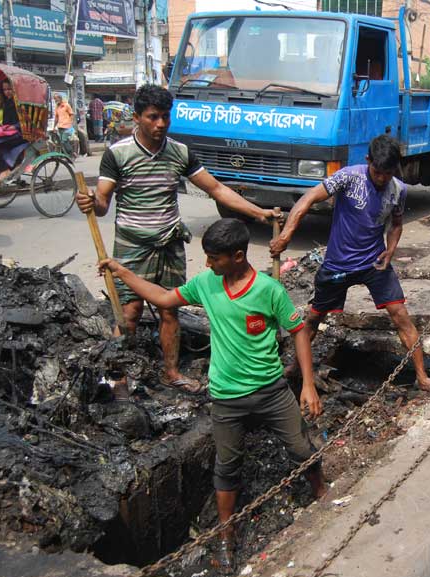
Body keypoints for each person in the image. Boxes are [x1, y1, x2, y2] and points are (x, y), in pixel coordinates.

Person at [99, 218, 327, 572]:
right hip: (226, 396)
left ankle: (321, 492)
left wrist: (308, 385)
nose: (207, 264)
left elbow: (298, 331)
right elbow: (162, 297)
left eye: (214, 258)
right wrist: (120, 271)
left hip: (271, 391)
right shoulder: (207, 283)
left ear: (237, 256)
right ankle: (225, 535)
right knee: (227, 467)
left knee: (300, 448)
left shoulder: (269, 290)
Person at [76, 84, 282, 394]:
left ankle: (170, 373)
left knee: (170, 309)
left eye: (165, 117)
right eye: (152, 117)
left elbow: (216, 189)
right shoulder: (117, 154)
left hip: (170, 241)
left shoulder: (179, 152)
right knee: (128, 312)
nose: (160, 124)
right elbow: (103, 203)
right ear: (136, 117)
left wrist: (258, 212)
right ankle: (117, 376)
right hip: (133, 244)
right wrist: (92, 202)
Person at [268, 134, 430, 393]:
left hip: (374, 263)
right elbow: (307, 200)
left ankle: (422, 378)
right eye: (378, 171)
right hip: (338, 264)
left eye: (388, 173)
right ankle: (296, 366)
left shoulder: (398, 189)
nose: (382, 178)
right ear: (368, 160)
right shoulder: (348, 177)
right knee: (314, 317)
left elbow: (395, 224)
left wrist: (390, 251)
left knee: (401, 316)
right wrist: (286, 235)